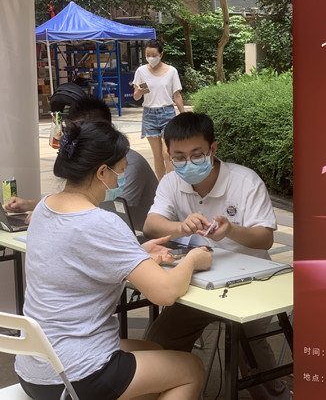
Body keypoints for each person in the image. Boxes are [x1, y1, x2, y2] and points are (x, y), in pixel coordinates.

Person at [14, 119, 213, 400]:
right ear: (101, 172)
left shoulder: (44, 208)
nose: (120, 180)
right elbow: (165, 293)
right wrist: (193, 259)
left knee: (156, 351)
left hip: (35, 367)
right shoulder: (102, 221)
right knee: (191, 369)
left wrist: (137, 254)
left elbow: (78, 255)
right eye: (119, 171)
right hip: (75, 375)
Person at [143, 112, 291, 400]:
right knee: (163, 337)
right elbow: (151, 224)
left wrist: (231, 231)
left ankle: (275, 394)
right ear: (168, 155)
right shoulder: (171, 182)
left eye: (197, 154)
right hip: (199, 282)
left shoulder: (245, 181)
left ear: (213, 149)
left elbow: (265, 238)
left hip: (252, 282)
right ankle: (172, 388)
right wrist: (179, 226)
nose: (188, 163)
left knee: (248, 350)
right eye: (179, 157)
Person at [5, 95, 158, 230]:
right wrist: (34, 205)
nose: (75, 139)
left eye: (84, 133)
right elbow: (73, 199)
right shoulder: (87, 164)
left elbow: (107, 211)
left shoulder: (127, 164)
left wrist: (50, 213)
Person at [133, 38, 185, 181]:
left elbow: (177, 95)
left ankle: (172, 184)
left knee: (167, 153)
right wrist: (139, 92)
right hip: (149, 114)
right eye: (147, 55)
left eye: (154, 55)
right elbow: (136, 96)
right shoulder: (141, 71)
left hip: (167, 113)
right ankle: (161, 185)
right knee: (157, 155)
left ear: (161, 54)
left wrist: (183, 116)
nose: (150, 57)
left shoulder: (171, 71)